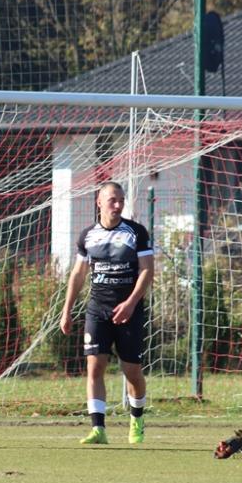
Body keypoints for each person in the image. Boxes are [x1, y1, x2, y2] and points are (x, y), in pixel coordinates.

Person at [60, 181, 154, 445]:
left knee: (131, 371)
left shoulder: (136, 232)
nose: (118, 204)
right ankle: (98, 429)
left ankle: (137, 419)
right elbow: (78, 274)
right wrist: (66, 311)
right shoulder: (87, 235)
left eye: (121, 200)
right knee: (95, 367)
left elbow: (147, 270)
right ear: (99, 202)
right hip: (97, 309)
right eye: (113, 200)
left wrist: (131, 303)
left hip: (129, 311)